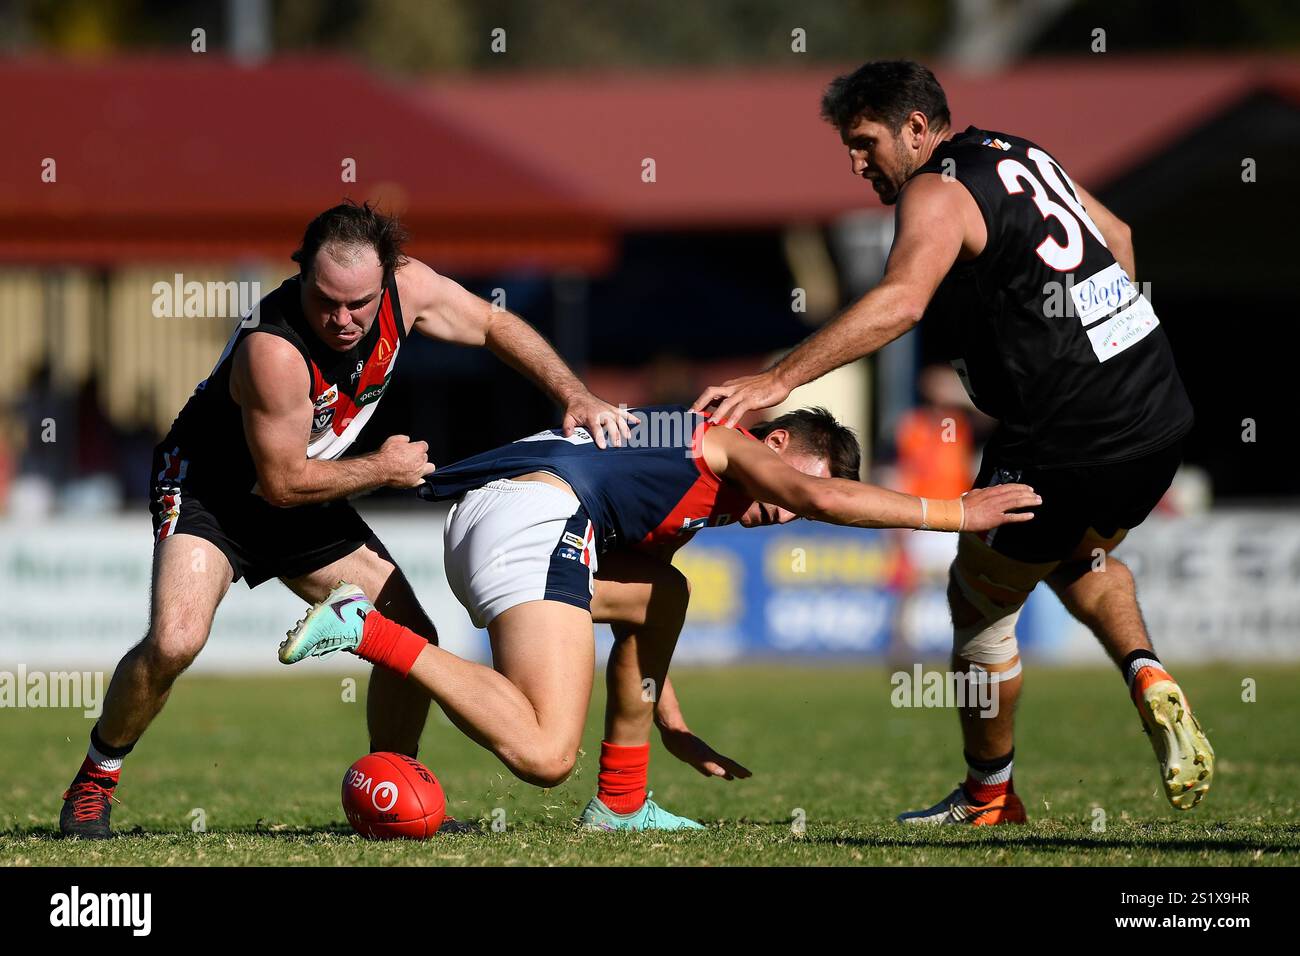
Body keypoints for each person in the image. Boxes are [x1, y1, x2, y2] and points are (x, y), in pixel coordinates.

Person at [692, 60, 1212, 824]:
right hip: (1157, 414)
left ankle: (988, 794)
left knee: (976, 602)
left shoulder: (936, 189)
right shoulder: (1021, 154)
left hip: (1066, 435)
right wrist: (1093, 358)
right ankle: (1146, 673)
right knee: (1080, 554)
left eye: (865, 142)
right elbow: (1121, 238)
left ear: (915, 127)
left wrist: (778, 380)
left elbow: (900, 301)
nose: (857, 162)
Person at [59, 200, 633, 839]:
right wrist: (384, 468)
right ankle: (96, 776)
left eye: (358, 304)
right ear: (301, 273)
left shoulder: (409, 287)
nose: (342, 319)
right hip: (213, 494)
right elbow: (279, 484)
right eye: (326, 300)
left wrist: (573, 393)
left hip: (300, 489)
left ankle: (389, 787)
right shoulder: (271, 351)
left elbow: (494, 325)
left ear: (388, 278)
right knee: (174, 641)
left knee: (408, 634)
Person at [278, 404, 1039, 830]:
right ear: (774, 443)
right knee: (545, 756)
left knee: (664, 594)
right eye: (789, 482)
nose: (782, 512)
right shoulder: (727, 446)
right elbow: (826, 497)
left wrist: (668, 718)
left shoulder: (677, 460)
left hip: (506, 513)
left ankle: (621, 800)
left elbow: (644, 617)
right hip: (533, 517)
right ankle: (366, 627)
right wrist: (954, 511)